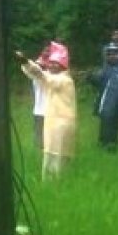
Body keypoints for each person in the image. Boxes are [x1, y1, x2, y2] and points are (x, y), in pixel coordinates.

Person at [16, 41, 76, 178]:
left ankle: (59, 183)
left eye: (56, 63)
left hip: (62, 122)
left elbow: (42, 76)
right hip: (53, 121)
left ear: (62, 65)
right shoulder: (53, 78)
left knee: (59, 154)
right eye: (51, 62)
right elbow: (37, 75)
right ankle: (49, 182)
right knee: (49, 152)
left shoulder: (64, 80)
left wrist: (26, 61)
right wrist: (25, 63)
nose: (52, 65)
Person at [88, 44, 118, 149]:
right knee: (103, 137)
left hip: (117, 110)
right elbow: (100, 84)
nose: (112, 56)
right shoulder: (107, 69)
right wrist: (90, 77)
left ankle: (114, 153)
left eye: (115, 53)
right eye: (109, 54)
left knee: (113, 139)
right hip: (104, 109)